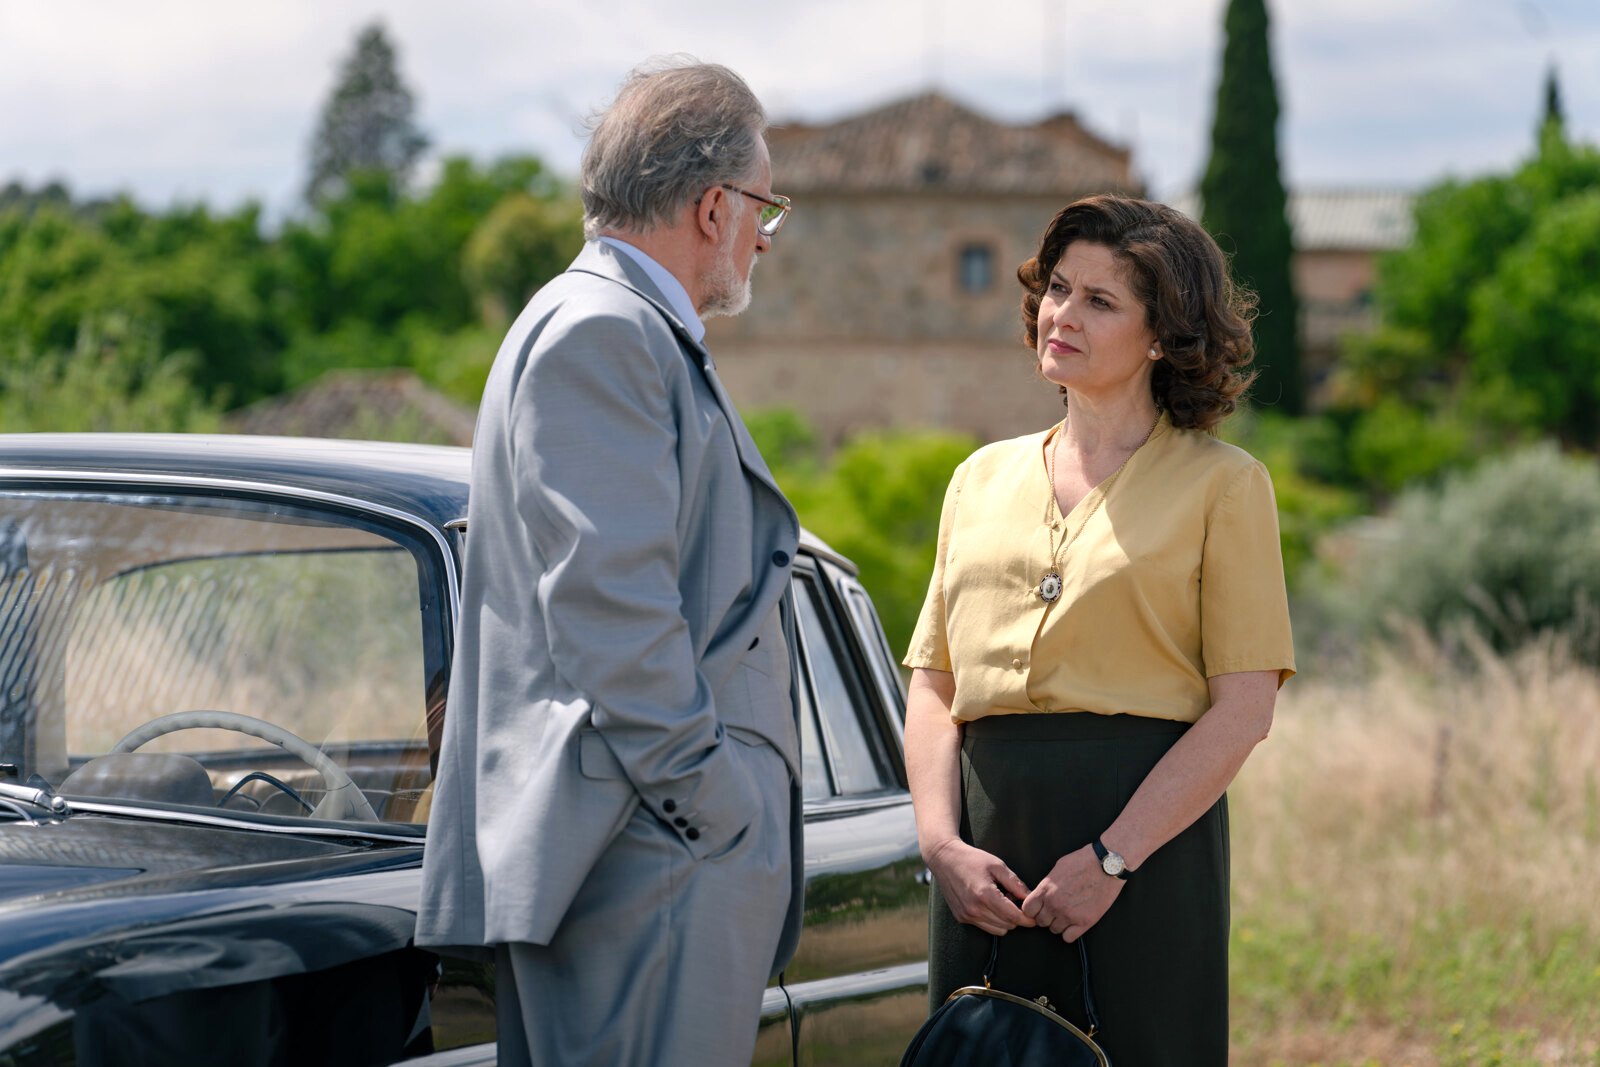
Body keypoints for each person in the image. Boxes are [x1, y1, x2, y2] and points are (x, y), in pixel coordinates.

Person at [415, 59, 804, 1067]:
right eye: (763, 205)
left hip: (645, 851)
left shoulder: (617, 326)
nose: (766, 233)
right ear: (713, 206)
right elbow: (611, 606)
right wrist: (713, 804)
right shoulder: (603, 329)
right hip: (643, 854)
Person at [902, 194, 1296, 1064]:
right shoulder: (977, 477)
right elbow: (933, 685)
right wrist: (940, 845)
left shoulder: (1226, 486)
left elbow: (1243, 710)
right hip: (983, 864)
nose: (1062, 315)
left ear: (1163, 335)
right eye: (1057, 289)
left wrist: (1113, 860)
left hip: (1145, 856)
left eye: (1100, 301)